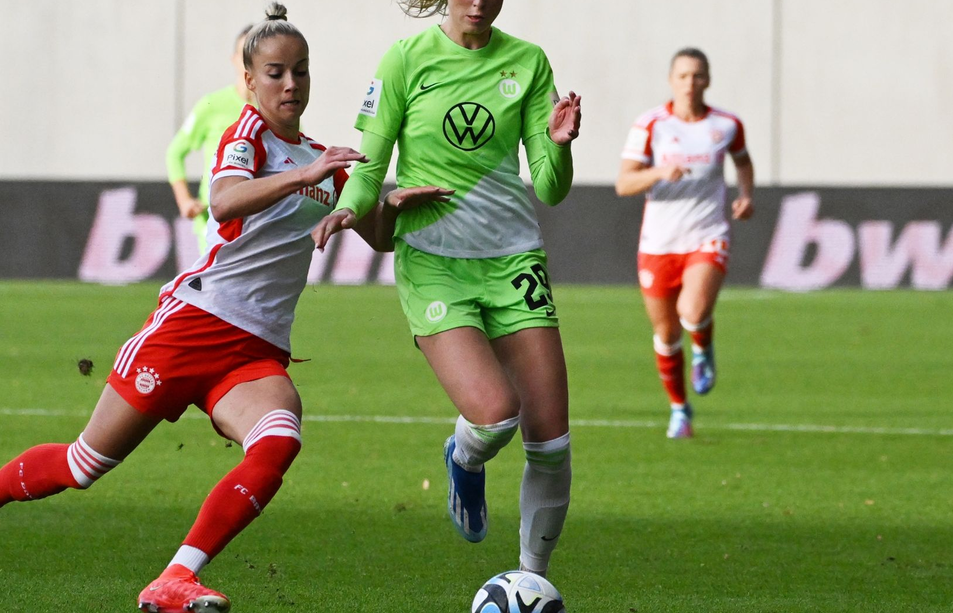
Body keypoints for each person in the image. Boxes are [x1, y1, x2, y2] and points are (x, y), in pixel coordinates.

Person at [0, 3, 445, 613]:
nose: (291, 84)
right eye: (276, 72)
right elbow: (223, 199)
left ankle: (178, 575)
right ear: (250, 82)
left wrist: (395, 205)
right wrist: (303, 175)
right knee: (83, 464)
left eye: (301, 71)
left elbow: (378, 237)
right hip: (192, 325)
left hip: (255, 351)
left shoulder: (323, 159)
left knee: (279, 439)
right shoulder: (245, 136)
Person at [313, 0, 581, 578]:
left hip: (514, 259)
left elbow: (552, 190)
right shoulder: (406, 60)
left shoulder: (528, 62)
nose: (479, 2)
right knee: (494, 416)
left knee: (551, 443)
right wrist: (349, 210)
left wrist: (557, 145)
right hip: (434, 261)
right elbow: (366, 167)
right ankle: (464, 456)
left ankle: (530, 583)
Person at [615, 47, 755, 439]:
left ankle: (704, 346)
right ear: (671, 80)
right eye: (683, 76)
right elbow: (624, 183)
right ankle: (679, 409)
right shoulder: (651, 125)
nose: (690, 83)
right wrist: (659, 172)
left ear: (707, 80)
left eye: (697, 76)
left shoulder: (726, 125)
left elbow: (742, 161)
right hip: (659, 243)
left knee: (692, 312)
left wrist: (745, 195)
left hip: (706, 234)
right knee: (666, 333)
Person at [167, 24, 254, 255]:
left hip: (259, 218)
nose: (248, 60)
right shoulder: (212, 105)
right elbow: (174, 153)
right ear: (234, 59)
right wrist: (184, 201)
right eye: (243, 53)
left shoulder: (275, 110)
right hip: (216, 219)